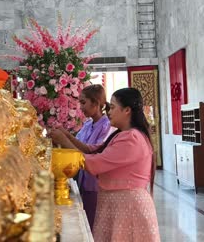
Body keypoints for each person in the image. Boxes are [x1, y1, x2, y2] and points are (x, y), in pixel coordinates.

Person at [50, 87, 160, 242]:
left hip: (128, 207)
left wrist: (64, 142)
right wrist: (68, 136)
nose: (109, 111)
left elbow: (95, 163)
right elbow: (91, 150)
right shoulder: (123, 135)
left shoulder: (132, 139)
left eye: (113, 107)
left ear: (127, 110)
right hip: (117, 203)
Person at [55, 84, 110, 230]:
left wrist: (65, 139)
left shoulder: (106, 126)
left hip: (95, 183)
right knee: (84, 220)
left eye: (83, 103)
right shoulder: (88, 124)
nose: (81, 107)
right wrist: (64, 135)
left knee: (93, 224)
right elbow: (79, 145)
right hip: (83, 178)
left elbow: (93, 152)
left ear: (96, 103)